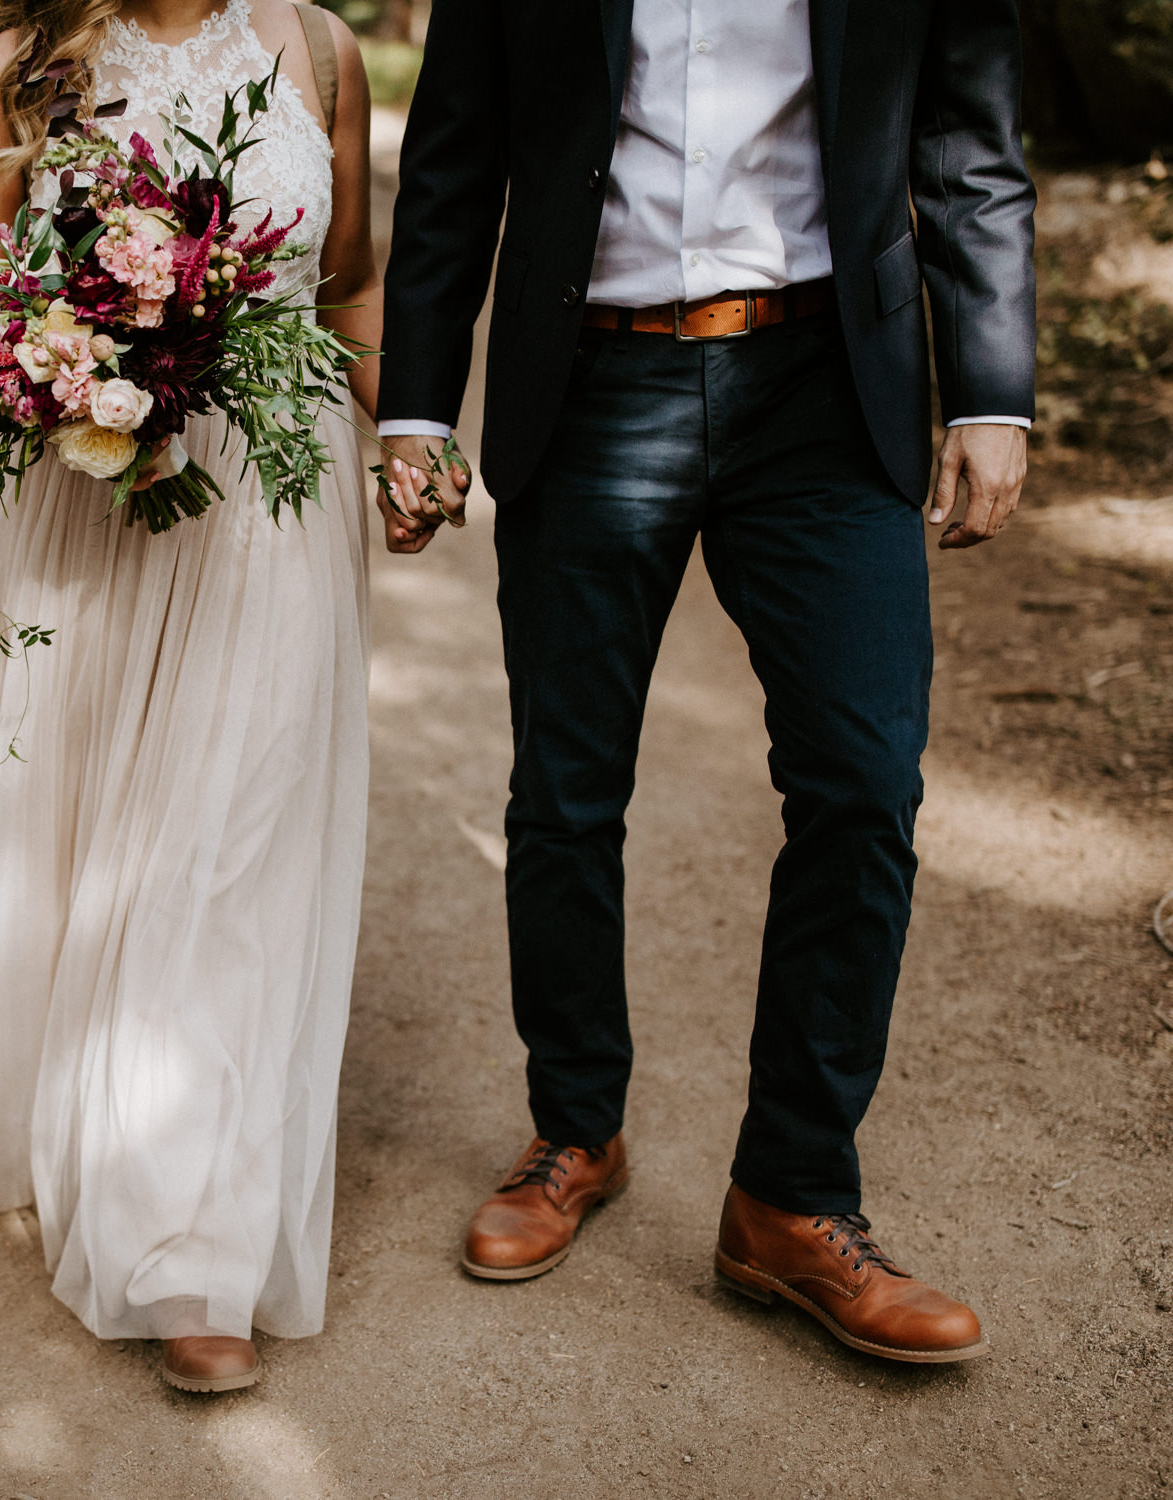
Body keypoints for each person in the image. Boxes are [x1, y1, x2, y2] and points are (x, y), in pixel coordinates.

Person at [376, 0, 1035, 1363]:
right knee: (563, 788)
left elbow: (967, 139)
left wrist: (987, 388)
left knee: (860, 785)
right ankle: (573, 1130)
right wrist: (416, 409)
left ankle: (789, 1201)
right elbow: (453, 160)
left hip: (823, 384)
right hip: (593, 377)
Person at [0, 0, 382, 1394]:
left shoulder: (318, 51)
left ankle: (181, 1238)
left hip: (272, 497)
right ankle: (78, 1108)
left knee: (223, 837)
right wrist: (76, 369)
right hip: (83, 487)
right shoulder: (20, 71)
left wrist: (406, 443)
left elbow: (349, 281)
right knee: (88, 821)